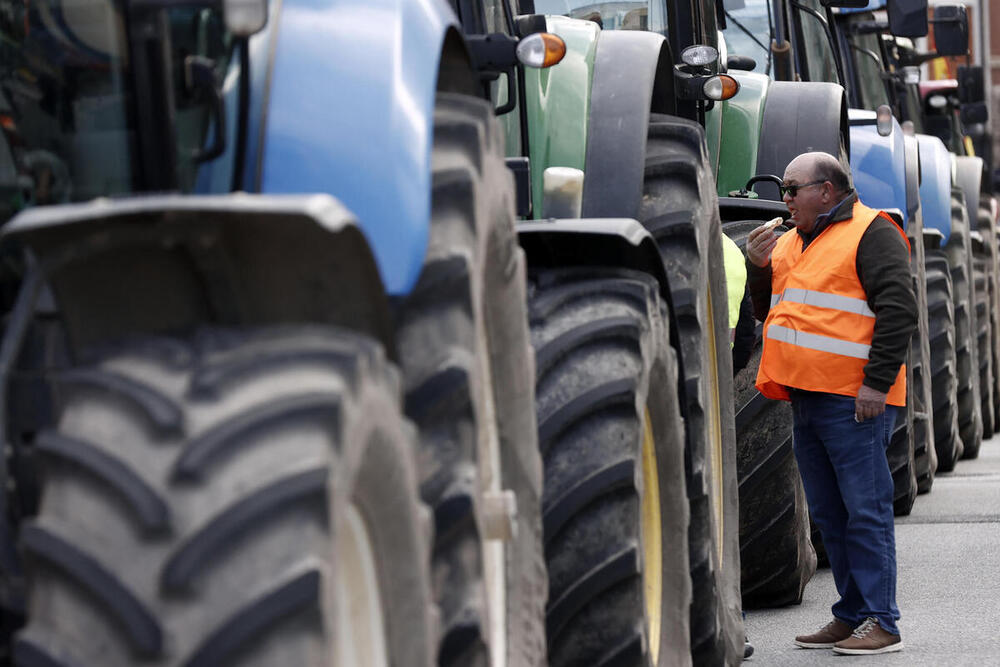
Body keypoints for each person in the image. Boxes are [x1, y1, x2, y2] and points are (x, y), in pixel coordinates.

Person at [745, 152, 917, 656]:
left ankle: (882, 622)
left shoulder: (871, 231)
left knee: (865, 510)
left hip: (854, 402)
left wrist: (875, 385)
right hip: (807, 400)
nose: (785, 199)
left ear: (827, 190)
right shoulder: (793, 243)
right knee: (831, 514)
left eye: (793, 189)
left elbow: (899, 309)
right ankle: (852, 614)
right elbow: (769, 310)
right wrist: (759, 268)